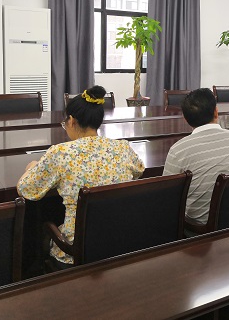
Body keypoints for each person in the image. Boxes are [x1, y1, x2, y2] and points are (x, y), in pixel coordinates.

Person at [17, 86, 145, 267]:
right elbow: (139, 170)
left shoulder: (61, 153)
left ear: (71, 121)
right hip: (120, 243)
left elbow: (26, 190)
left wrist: (32, 168)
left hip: (76, 250)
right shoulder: (122, 148)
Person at [162, 88, 229, 223]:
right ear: (216, 112)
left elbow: (167, 195)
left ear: (185, 119)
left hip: (197, 228)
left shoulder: (178, 150)